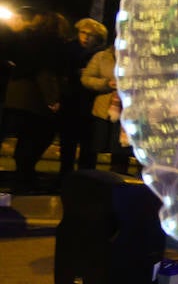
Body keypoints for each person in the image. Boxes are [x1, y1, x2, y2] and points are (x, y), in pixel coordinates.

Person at [3, 11, 68, 193]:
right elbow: (45, 73)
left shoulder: (26, 40)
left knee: (25, 139)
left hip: (16, 98)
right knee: (38, 138)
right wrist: (52, 99)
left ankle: (23, 178)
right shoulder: (50, 45)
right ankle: (25, 180)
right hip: (34, 100)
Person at [56, 19, 106, 178]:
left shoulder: (102, 55)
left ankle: (85, 179)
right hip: (70, 102)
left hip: (92, 104)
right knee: (68, 143)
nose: (85, 37)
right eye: (83, 32)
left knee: (89, 146)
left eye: (90, 34)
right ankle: (65, 177)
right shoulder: (68, 50)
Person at [79, 42, 132, 173]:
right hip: (103, 109)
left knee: (120, 151)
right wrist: (106, 83)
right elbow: (86, 78)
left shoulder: (139, 59)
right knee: (95, 145)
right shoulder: (102, 57)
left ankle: (117, 181)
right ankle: (88, 178)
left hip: (127, 111)